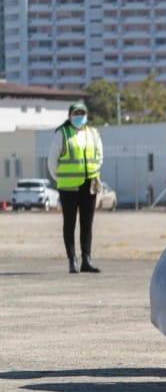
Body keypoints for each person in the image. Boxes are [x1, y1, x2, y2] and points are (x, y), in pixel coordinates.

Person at [48, 100, 103, 274]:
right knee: (69, 223)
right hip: (68, 187)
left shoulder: (93, 133)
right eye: (76, 114)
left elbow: (100, 156)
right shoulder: (62, 134)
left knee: (87, 223)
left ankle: (86, 259)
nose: (79, 117)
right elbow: (52, 161)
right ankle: (72, 259)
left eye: (82, 113)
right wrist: (61, 178)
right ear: (69, 116)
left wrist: (93, 172)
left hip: (90, 184)